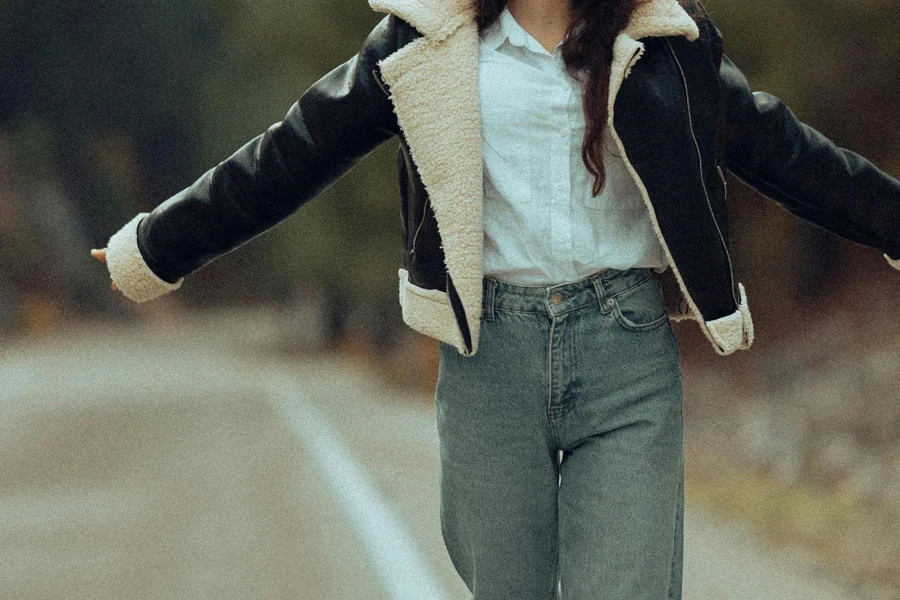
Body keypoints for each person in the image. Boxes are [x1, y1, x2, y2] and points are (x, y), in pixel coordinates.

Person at [92, 0, 900, 597]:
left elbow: (782, 148)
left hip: (627, 353)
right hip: (490, 362)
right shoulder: (426, 44)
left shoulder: (661, 43)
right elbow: (292, 152)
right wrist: (156, 245)